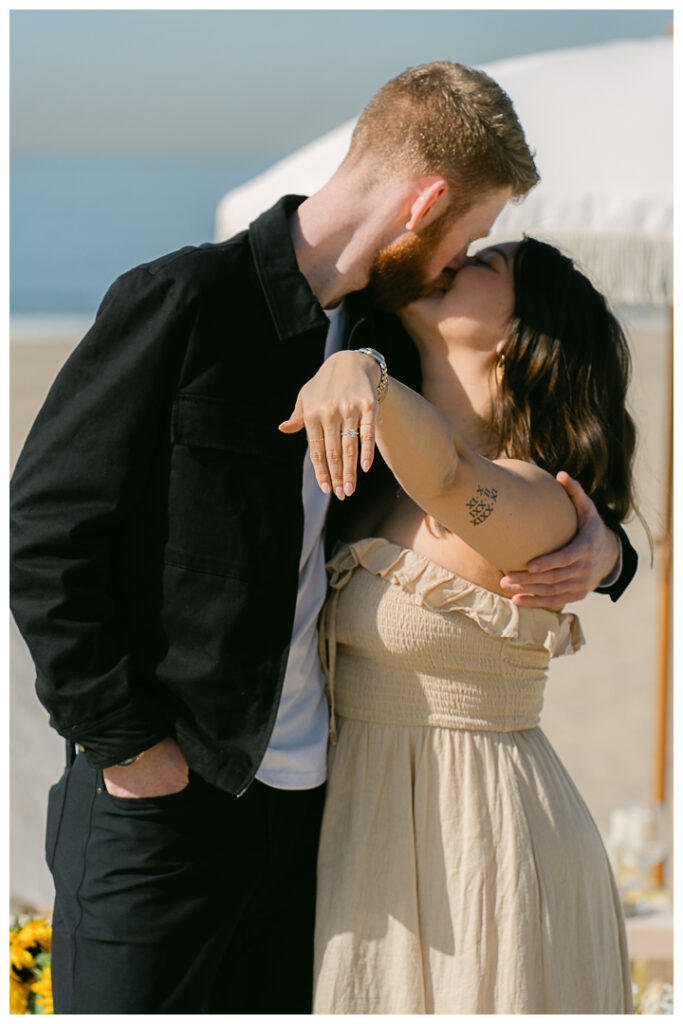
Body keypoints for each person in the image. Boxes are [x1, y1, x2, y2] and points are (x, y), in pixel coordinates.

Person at [10, 62, 634, 1014]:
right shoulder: (186, 300)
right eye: (468, 236)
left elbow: (488, 471)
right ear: (426, 201)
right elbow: (47, 533)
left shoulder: (389, 345)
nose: (461, 258)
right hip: (162, 800)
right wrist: (126, 743)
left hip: (315, 822)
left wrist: (607, 549)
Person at [280, 237, 637, 1013]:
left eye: (487, 264)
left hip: (487, 842)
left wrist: (361, 373)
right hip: (369, 840)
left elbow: (450, 478)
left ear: (520, 333)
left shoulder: (541, 502)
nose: (456, 260)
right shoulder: (369, 486)